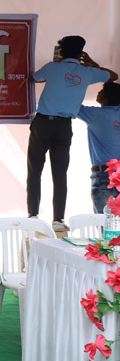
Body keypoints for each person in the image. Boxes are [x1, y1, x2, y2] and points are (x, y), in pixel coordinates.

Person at [28, 36, 117, 232]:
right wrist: (92, 64)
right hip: (64, 126)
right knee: (60, 174)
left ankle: (33, 215)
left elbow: (33, 77)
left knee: (35, 170)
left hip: (43, 123)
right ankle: (58, 219)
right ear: (81, 54)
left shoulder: (52, 68)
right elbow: (113, 76)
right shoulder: (88, 72)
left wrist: (56, 70)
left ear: (60, 53)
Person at [77, 82, 120, 214]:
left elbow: (71, 105)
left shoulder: (95, 114)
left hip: (103, 176)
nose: (98, 93)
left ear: (107, 97)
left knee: (104, 223)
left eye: (102, 91)